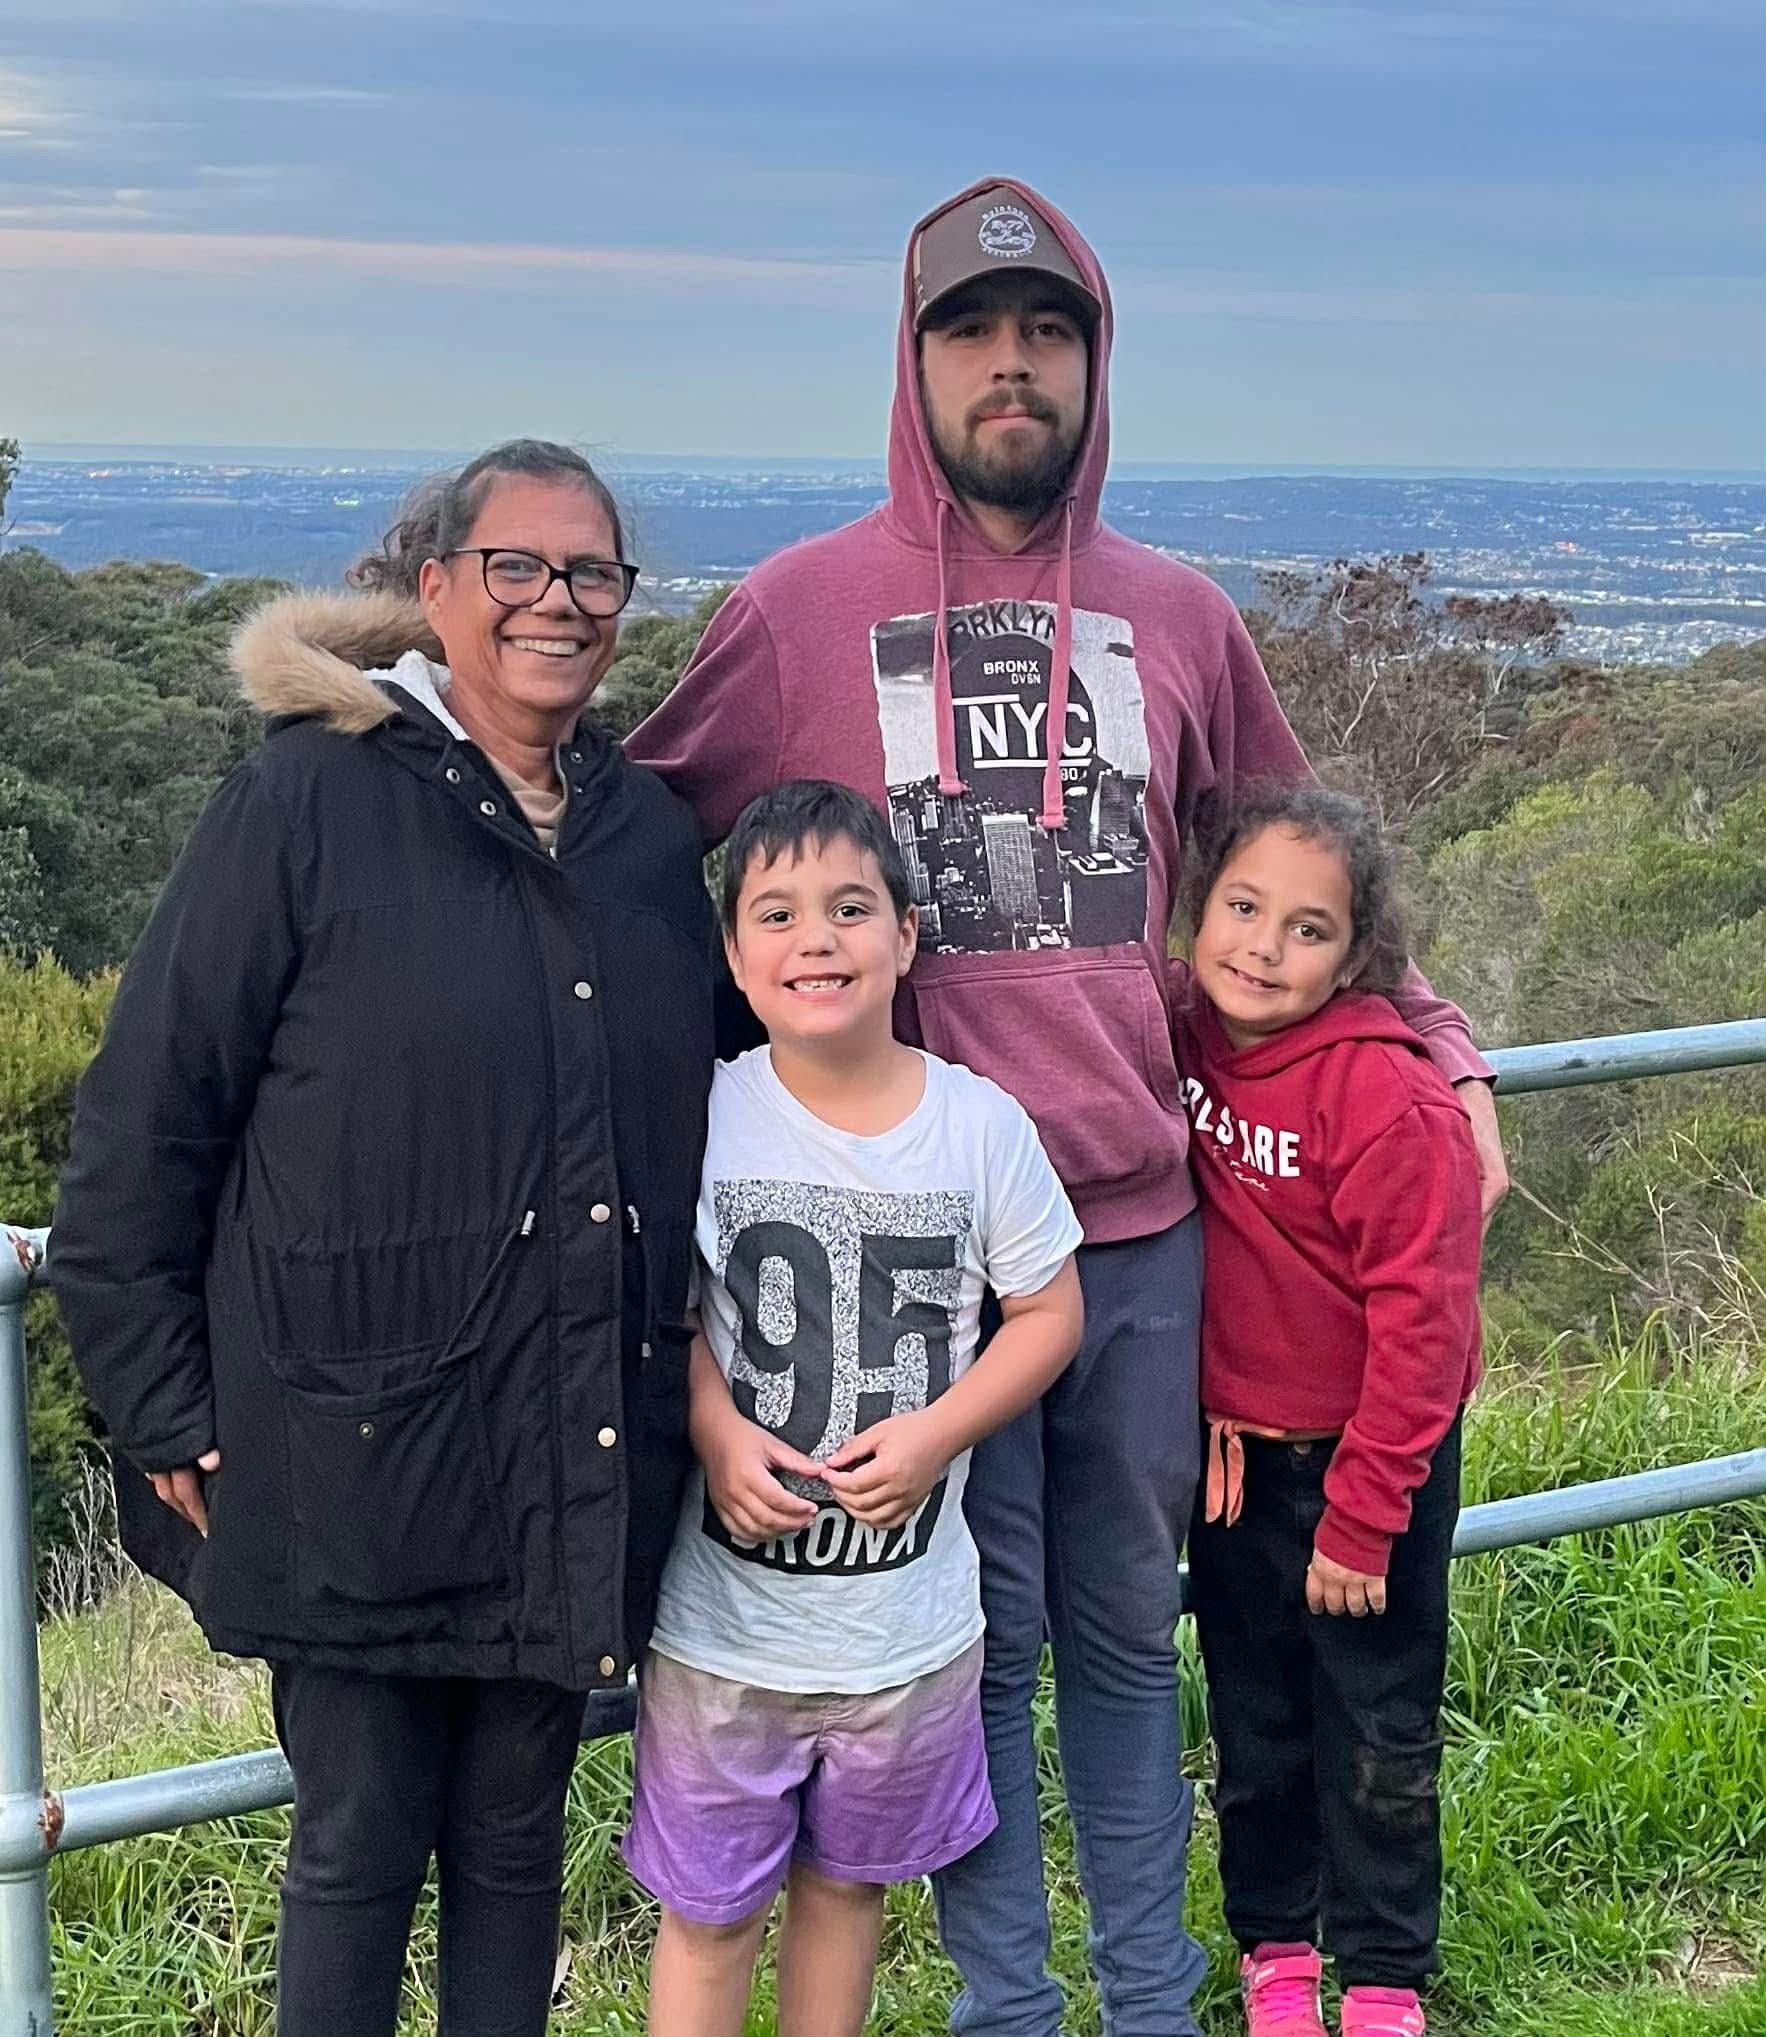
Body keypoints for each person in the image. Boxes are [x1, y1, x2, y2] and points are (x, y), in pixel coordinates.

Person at [628, 177, 1506, 2037]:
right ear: (912, 361)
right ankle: (1010, 2010)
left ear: (1095, 364)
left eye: (1047, 332)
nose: (1008, 365)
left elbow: (1303, 868)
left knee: (1121, 1644)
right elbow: (634, 847)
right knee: (968, 1652)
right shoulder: (794, 614)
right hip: (908, 1256)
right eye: (968, 331)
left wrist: (1439, 1045)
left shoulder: (1177, 619)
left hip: (1136, 1241)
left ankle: (1150, 1997)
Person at [48, 440, 715, 2037]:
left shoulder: (643, 841)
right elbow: (144, 1128)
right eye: (520, 568)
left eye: (592, 573)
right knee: (352, 1848)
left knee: (513, 1849)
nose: (559, 602)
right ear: (433, 589)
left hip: (572, 1441)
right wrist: (160, 1406)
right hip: (352, 1448)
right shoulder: (304, 799)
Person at [622, 780, 1086, 2037]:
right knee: (709, 1914)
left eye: (848, 909)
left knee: (849, 1890)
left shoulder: (979, 1127)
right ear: (731, 954)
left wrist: (939, 1433)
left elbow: (1049, 1313)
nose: (814, 940)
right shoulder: (703, 1117)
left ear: (905, 938)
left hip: (908, 1631)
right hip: (723, 1631)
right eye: (774, 914)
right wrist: (714, 1429)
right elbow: (658, 1316)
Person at [1172, 786, 1482, 2037]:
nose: (1260, 946)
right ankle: (1278, 1952)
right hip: (1238, 1467)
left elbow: (1427, 1330)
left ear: (1357, 957)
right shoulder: (1184, 1036)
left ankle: (1386, 1974)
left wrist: (1362, 1516)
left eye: (1306, 929)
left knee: (1377, 1730)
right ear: (1196, 913)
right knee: (1254, 1722)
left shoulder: (1384, 1100)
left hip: (1368, 1472)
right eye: (1239, 907)